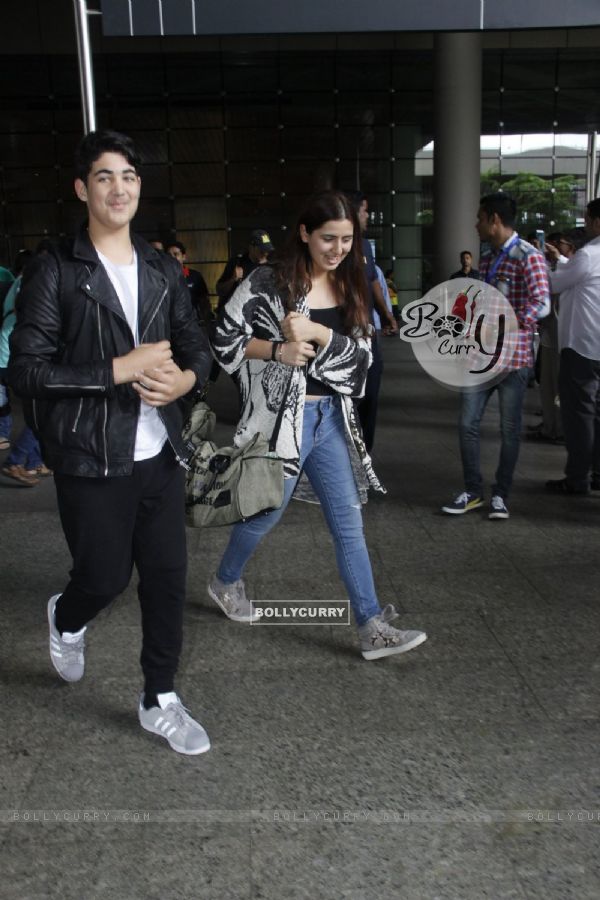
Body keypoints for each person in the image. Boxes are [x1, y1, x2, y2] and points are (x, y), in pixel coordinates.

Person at [8, 129, 213, 755]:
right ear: (82, 188)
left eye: (127, 175)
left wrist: (186, 378)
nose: (118, 186)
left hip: (159, 453)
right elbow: (26, 370)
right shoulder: (56, 270)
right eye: (103, 176)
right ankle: (65, 618)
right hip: (90, 456)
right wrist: (116, 370)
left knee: (166, 577)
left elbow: (197, 343)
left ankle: (160, 698)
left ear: (138, 187)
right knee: (102, 578)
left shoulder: (160, 268)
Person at [209, 190, 427, 660]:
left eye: (348, 239)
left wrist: (320, 334)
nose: (338, 248)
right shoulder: (269, 282)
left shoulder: (350, 284)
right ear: (305, 233)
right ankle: (225, 581)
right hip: (284, 420)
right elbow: (224, 338)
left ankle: (370, 626)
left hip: (332, 418)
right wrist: (276, 351)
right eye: (329, 238)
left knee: (348, 524)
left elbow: (363, 361)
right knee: (267, 512)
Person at [442, 192, 550, 520]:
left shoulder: (527, 256)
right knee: (466, 424)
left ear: (494, 220)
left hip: (513, 360)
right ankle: (473, 491)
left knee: (509, 429)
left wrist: (506, 324)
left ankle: (501, 494)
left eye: (479, 218)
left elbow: (541, 302)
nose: (475, 225)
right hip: (481, 356)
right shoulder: (488, 258)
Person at [545, 198, 600, 494]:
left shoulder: (590, 254)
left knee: (579, 415)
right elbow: (577, 277)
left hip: (583, 346)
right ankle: (597, 474)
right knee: (597, 413)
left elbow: (555, 283)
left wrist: (545, 265)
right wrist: (564, 261)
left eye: (588, 218)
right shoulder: (586, 259)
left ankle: (578, 478)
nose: (586, 223)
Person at [346, 191, 398, 454]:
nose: (367, 215)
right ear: (353, 211)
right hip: (344, 337)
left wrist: (387, 315)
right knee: (347, 398)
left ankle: (364, 454)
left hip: (368, 334)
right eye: (364, 210)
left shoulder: (365, 246)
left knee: (371, 394)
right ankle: (345, 455)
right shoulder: (337, 245)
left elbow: (373, 282)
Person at [1, 247, 50, 486]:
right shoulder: (28, 282)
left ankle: (33, 463)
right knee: (42, 411)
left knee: (40, 409)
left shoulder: (24, 281)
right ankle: (17, 459)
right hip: (16, 356)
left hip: (16, 355)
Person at [526, 232, 576, 444]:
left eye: (559, 244)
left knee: (558, 388)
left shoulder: (575, 269)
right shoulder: (561, 268)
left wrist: (542, 257)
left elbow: (551, 283)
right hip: (548, 336)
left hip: (562, 341)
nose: (554, 247)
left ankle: (559, 429)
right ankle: (549, 425)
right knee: (547, 385)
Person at [215, 228, 274, 310]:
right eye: (261, 250)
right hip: (236, 313)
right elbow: (220, 291)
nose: (265, 253)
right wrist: (233, 279)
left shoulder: (272, 267)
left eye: (267, 250)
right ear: (251, 247)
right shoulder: (237, 263)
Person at [165, 240, 212, 327]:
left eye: (176, 254)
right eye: (169, 255)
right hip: (170, 323)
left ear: (183, 257)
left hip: (193, 323)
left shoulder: (194, 275)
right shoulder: (162, 277)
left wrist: (205, 320)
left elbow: (204, 300)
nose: (172, 258)